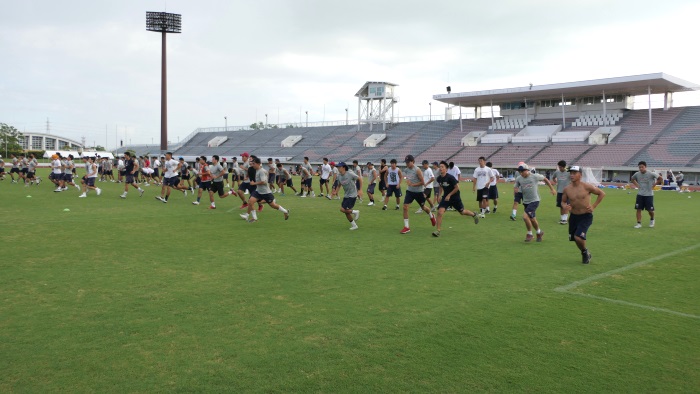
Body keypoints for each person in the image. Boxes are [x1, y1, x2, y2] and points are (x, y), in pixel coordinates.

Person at [561, 166, 605, 264]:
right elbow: (563, 201)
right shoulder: (567, 189)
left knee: (578, 237)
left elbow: (602, 194)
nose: (572, 175)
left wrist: (593, 206)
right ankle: (585, 252)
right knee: (575, 239)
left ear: (580, 175)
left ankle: (584, 252)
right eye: (571, 173)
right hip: (573, 217)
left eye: (574, 173)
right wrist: (564, 206)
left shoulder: (587, 186)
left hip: (585, 216)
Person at [432, 161, 479, 237]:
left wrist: (449, 195)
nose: (440, 168)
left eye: (442, 167)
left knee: (462, 212)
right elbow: (440, 186)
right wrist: (440, 195)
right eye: (440, 167)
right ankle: (438, 231)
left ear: (446, 169)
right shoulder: (439, 178)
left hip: (455, 197)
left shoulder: (450, 177)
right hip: (446, 198)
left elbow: (457, 188)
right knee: (440, 212)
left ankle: (474, 214)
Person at [239, 156, 290, 222]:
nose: (252, 165)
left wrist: (254, 183)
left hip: (266, 192)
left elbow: (264, 182)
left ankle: (285, 211)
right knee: (250, 201)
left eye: (254, 163)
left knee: (273, 205)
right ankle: (254, 218)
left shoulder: (261, 171)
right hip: (258, 191)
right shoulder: (257, 170)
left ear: (258, 164)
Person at [513, 163, 555, 242]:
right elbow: (516, 186)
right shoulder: (519, 178)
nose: (521, 173)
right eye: (520, 172)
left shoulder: (534, 176)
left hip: (535, 200)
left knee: (525, 217)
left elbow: (545, 179)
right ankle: (539, 232)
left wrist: (552, 189)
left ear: (527, 170)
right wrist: (515, 189)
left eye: (522, 171)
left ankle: (530, 234)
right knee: (532, 219)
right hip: (526, 201)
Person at [400, 155, 436, 234]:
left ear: (413, 161)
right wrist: (409, 182)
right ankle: (406, 227)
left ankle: (431, 215)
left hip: (419, 192)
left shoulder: (417, 170)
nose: (407, 164)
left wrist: (412, 184)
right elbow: (409, 179)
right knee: (405, 207)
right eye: (406, 162)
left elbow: (422, 182)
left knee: (423, 207)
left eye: (408, 162)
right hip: (410, 191)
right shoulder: (406, 170)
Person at [631, 160, 663, 228]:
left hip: (649, 195)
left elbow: (660, 178)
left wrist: (654, 185)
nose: (641, 169)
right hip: (640, 194)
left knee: (650, 210)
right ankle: (639, 223)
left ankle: (652, 219)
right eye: (639, 167)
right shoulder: (637, 174)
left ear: (645, 167)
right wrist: (637, 185)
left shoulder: (651, 174)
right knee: (638, 209)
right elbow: (632, 179)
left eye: (642, 167)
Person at [335, 162, 362, 230]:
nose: (338, 168)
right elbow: (339, 185)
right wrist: (336, 191)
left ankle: (355, 212)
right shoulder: (339, 176)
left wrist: (360, 190)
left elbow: (360, 179)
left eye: (339, 167)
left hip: (352, 195)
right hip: (346, 195)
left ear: (344, 167)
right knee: (346, 211)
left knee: (342, 209)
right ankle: (354, 225)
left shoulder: (350, 174)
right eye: (337, 167)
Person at [551, 160, 571, 224]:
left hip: (567, 192)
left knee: (566, 205)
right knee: (561, 205)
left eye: (561, 167)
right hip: (559, 191)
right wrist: (555, 182)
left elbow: (574, 178)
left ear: (564, 167)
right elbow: (553, 177)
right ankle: (562, 219)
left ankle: (565, 219)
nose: (560, 168)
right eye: (559, 167)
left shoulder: (568, 172)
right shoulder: (557, 172)